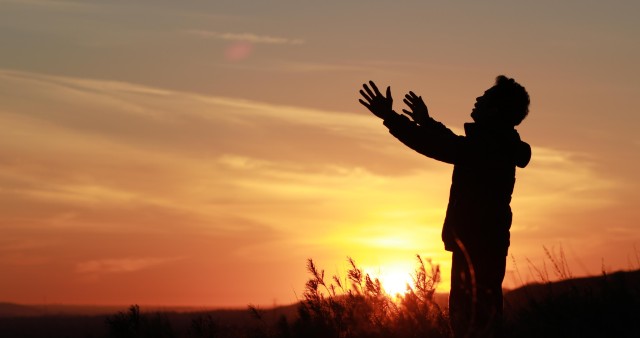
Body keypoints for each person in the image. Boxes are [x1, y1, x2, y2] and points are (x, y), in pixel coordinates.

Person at [358, 76, 531, 338]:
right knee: (477, 322)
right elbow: (455, 145)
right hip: (481, 244)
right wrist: (425, 121)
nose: (477, 100)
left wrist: (391, 118)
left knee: (472, 325)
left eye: (484, 98)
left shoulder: (490, 146)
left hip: (478, 246)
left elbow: (440, 147)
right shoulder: (495, 143)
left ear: (495, 109)